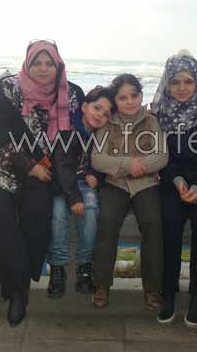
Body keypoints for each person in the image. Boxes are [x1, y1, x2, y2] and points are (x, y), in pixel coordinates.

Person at [0, 40, 85, 327]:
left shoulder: (70, 95)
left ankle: (13, 281)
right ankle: (18, 290)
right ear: (27, 64)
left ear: (58, 66)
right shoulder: (6, 91)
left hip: (44, 172)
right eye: (37, 62)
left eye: (49, 63)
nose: (43, 69)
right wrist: (30, 166)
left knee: (38, 215)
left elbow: (81, 131)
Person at [151, 52, 197, 326]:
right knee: (169, 226)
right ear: (166, 84)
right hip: (172, 182)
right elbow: (160, 154)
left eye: (188, 81)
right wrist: (177, 181)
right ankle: (168, 293)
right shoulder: (160, 111)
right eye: (175, 82)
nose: (181, 88)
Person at [91, 74, 168, 309]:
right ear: (115, 101)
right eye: (123, 98)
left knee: (153, 223)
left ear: (141, 96)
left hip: (146, 185)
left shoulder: (151, 122)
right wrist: (127, 164)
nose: (130, 101)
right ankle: (101, 285)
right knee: (107, 221)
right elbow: (97, 159)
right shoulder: (108, 124)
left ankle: (152, 287)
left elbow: (162, 156)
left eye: (134, 96)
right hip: (115, 185)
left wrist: (139, 167)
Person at [46, 86, 116, 298]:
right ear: (84, 106)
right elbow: (62, 166)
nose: (100, 115)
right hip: (61, 184)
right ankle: (58, 267)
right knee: (58, 213)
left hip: (83, 184)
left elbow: (105, 161)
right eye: (97, 108)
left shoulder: (102, 134)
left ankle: (85, 265)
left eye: (106, 114)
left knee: (91, 210)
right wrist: (74, 198)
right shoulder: (67, 128)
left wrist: (97, 176)